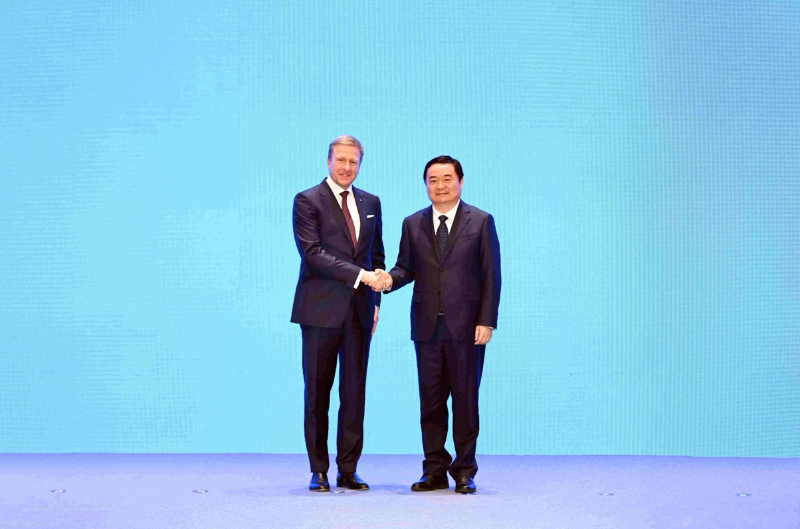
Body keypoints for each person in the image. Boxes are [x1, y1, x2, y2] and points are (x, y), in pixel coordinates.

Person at [375, 155, 501, 494]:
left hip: (467, 328)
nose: (440, 186)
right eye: (433, 180)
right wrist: (388, 279)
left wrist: (486, 320)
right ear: (425, 185)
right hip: (427, 327)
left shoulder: (481, 221)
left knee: (465, 401)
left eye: (447, 179)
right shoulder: (412, 223)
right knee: (430, 403)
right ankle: (434, 470)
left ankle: (464, 471)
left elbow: (491, 274)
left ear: (461, 181)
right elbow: (406, 268)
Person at [291, 135, 386, 492]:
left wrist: (375, 303)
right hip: (319, 311)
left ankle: (348, 469)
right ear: (328, 161)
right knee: (317, 393)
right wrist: (361, 276)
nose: (347, 167)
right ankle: (318, 470)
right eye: (340, 160)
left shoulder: (371, 202)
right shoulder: (307, 200)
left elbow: (376, 257)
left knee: (354, 392)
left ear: (360, 165)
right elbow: (312, 253)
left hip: (360, 312)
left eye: (353, 161)